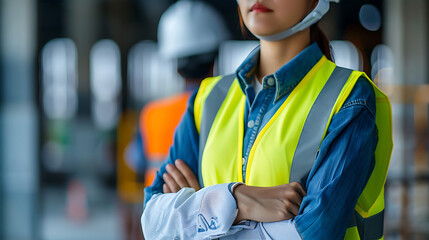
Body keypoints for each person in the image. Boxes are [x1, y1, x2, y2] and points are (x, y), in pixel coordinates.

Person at [141, 0, 393, 239]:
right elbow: (152, 221)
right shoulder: (207, 98)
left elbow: (314, 235)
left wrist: (200, 214)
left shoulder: (348, 98)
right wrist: (237, 201)